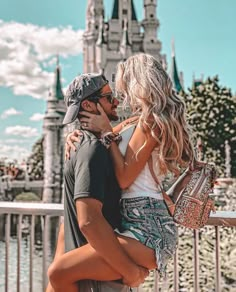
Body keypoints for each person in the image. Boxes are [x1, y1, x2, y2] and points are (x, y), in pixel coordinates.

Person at [65, 53, 196, 281]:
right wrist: (76, 135)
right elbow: (102, 143)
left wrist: (106, 130)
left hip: (148, 229)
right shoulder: (134, 122)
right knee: (65, 272)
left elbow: (125, 177)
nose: (121, 94)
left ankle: (135, 274)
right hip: (133, 222)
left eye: (125, 84)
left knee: (61, 271)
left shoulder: (151, 122)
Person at [47, 73, 149, 292]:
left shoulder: (84, 144)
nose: (117, 102)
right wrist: (130, 270)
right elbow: (89, 221)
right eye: (109, 97)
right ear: (88, 104)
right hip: (96, 277)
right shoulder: (91, 149)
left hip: (88, 270)